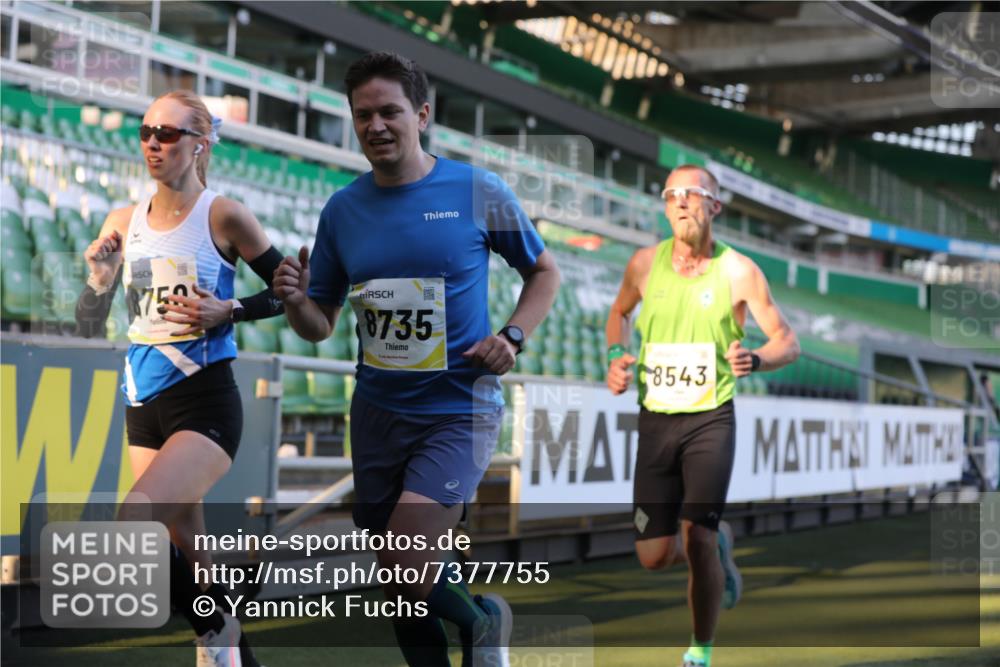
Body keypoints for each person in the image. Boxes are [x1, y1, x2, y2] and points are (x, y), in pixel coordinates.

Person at [273, 51, 560, 667]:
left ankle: (484, 620)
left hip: (457, 409)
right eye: (362, 115)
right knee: (400, 584)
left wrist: (512, 336)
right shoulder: (342, 210)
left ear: (422, 115)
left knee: (406, 563)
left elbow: (543, 271)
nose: (375, 125)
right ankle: (468, 628)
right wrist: (296, 300)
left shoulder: (477, 190)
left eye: (389, 112)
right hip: (377, 413)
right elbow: (318, 325)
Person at [76, 90, 286, 667]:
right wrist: (100, 278)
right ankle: (226, 644)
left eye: (166, 134)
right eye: (145, 130)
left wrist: (232, 309)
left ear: (199, 144)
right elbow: (89, 323)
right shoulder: (121, 221)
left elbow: (291, 292)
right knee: (191, 550)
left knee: (132, 528)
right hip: (143, 400)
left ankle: (213, 625)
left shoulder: (224, 213)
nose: (152, 142)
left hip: (205, 401)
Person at [604, 164, 800, 667]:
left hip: (711, 418)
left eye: (693, 194)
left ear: (715, 206)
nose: (682, 202)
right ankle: (719, 550)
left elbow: (787, 341)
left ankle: (700, 651)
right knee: (653, 556)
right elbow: (619, 313)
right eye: (672, 195)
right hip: (656, 418)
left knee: (699, 534)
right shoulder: (645, 263)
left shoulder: (739, 270)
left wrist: (756, 358)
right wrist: (615, 356)